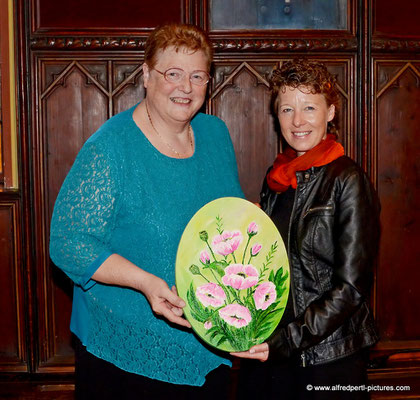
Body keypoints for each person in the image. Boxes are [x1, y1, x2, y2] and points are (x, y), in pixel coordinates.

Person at [49, 23, 243, 400]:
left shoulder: (216, 134)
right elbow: (68, 243)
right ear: (146, 76)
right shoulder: (111, 149)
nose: (185, 87)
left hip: (208, 342)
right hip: (126, 354)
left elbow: (225, 219)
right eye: (172, 73)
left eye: (197, 75)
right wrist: (145, 282)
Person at [232, 59, 380, 400]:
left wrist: (285, 341)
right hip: (272, 350)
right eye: (287, 109)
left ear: (330, 112)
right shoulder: (277, 179)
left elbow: (352, 288)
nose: (297, 121)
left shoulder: (347, 180)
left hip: (328, 359)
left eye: (309, 107)